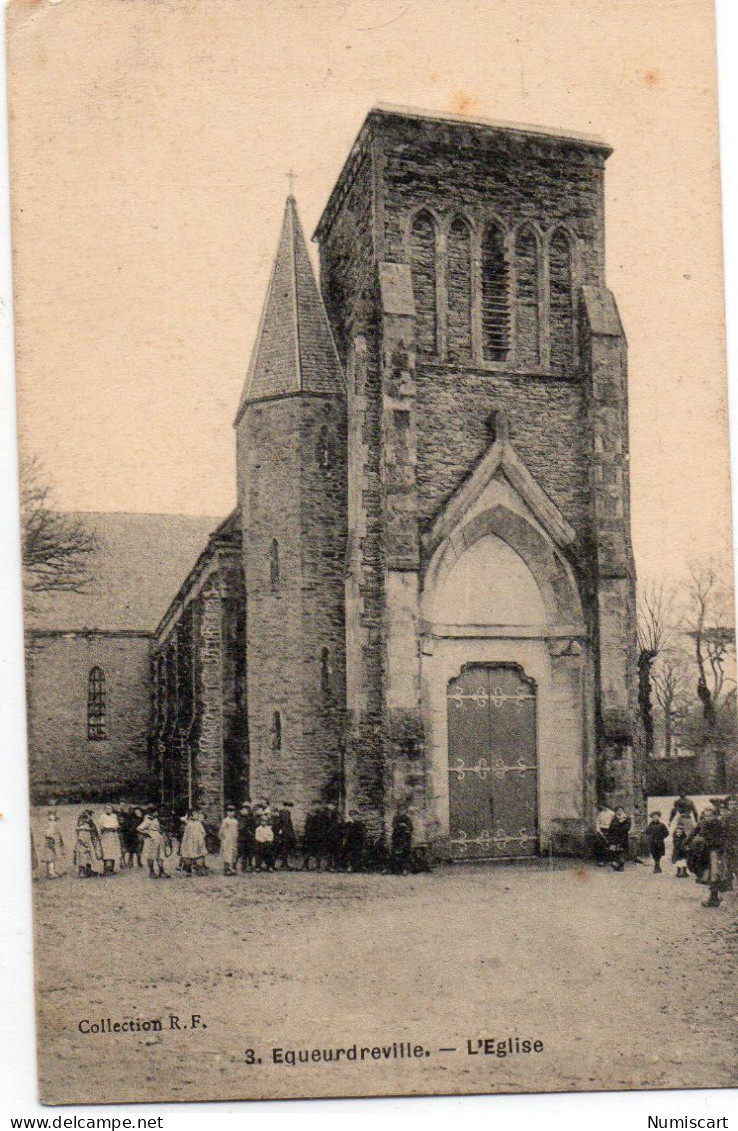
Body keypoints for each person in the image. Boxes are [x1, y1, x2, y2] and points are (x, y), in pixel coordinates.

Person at [699, 805, 728, 908]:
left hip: (716, 852)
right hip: (709, 852)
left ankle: (714, 898)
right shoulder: (705, 825)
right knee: (710, 874)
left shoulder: (719, 825)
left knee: (715, 873)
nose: (708, 818)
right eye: (706, 816)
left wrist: (716, 844)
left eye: (710, 815)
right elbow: (705, 837)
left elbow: (722, 837)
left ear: (714, 815)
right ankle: (714, 897)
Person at [670, 793, 698, 878]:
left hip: (681, 820)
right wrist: (696, 820)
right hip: (688, 820)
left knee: (680, 839)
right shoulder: (690, 801)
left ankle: (682, 869)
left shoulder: (677, 801)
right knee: (688, 841)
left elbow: (673, 812)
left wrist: (670, 820)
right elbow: (695, 812)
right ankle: (684, 869)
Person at [137, 807, 170, 879]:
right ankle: (151, 872)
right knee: (151, 856)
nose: (157, 813)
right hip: (151, 840)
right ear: (152, 813)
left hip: (158, 838)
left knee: (160, 855)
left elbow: (157, 827)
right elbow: (139, 828)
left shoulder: (155, 819)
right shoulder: (148, 819)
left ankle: (162, 872)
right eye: (156, 812)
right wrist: (148, 834)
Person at [73, 809, 103, 877]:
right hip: (84, 843)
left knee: (90, 857)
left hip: (90, 842)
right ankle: (82, 871)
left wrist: (96, 841)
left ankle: (89, 870)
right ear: (88, 816)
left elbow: (95, 833)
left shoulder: (92, 824)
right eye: (92, 816)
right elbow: (80, 836)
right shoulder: (82, 824)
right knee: (83, 857)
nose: (93, 817)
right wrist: (84, 843)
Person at [179, 809, 208, 875]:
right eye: (195, 814)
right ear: (191, 816)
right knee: (189, 855)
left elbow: (203, 832)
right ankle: (188, 870)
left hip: (198, 842)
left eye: (197, 814)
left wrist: (201, 839)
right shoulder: (188, 824)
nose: (197, 815)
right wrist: (185, 842)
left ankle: (199, 870)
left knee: (199, 856)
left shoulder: (199, 823)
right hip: (190, 842)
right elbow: (186, 834)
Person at [39, 808, 65, 878]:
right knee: (50, 858)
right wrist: (52, 839)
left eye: (53, 815)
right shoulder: (51, 824)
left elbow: (56, 833)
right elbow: (48, 833)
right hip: (50, 841)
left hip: (52, 842)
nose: (52, 816)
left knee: (52, 857)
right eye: (51, 815)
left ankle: (52, 871)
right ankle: (50, 872)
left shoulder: (53, 823)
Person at [273, 801, 297, 870]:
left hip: (284, 834)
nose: (291, 809)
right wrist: (288, 834)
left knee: (284, 850)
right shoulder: (285, 813)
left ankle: (283, 864)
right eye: (290, 807)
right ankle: (274, 865)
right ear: (286, 806)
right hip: (284, 835)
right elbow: (285, 825)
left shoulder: (283, 813)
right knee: (282, 849)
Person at [98, 805, 122, 875]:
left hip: (114, 836)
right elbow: (102, 827)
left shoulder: (114, 816)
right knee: (107, 852)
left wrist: (114, 828)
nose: (109, 810)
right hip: (106, 836)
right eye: (107, 808)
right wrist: (109, 828)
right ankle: (106, 870)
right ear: (105, 809)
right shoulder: (103, 817)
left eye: (110, 809)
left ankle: (111, 869)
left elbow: (116, 825)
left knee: (113, 852)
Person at [302, 799, 324, 871]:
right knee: (308, 851)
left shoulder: (322, 814)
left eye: (318, 805)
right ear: (312, 806)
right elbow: (307, 826)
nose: (316, 806)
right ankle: (305, 865)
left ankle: (318, 867)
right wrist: (307, 835)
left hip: (319, 836)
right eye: (315, 805)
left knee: (318, 852)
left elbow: (324, 825)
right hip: (310, 836)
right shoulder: (310, 814)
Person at [391, 805, 414, 874]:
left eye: (403, 810)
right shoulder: (395, 818)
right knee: (396, 852)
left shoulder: (407, 818)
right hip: (397, 837)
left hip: (405, 837)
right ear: (398, 811)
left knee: (405, 853)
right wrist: (399, 826)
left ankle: (405, 869)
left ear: (405, 811)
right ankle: (396, 869)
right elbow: (393, 825)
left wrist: (406, 827)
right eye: (400, 810)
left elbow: (411, 828)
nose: (402, 811)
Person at [607, 806, 631, 871]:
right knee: (614, 851)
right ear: (616, 811)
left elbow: (627, 827)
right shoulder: (614, 818)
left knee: (621, 851)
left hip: (622, 837)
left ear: (623, 811)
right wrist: (609, 836)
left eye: (621, 810)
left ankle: (621, 866)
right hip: (614, 838)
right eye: (617, 810)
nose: (619, 811)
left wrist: (618, 829)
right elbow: (610, 828)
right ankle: (616, 865)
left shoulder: (626, 818)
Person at [219, 805, 239, 875]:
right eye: (229, 811)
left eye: (233, 812)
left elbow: (236, 830)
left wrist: (236, 837)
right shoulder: (225, 821)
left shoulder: (235, 821)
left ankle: (233, 868)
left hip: (233, 839)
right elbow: (221, 831)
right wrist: (223, 839)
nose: (231, 813)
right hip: (227, 840)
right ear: (227, 812)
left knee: (234, 854)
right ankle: (226, 869)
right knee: (227, 854)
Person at [593, 801, 615, 866]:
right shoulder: (601, 813)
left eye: (602, 806)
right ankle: (600, 860)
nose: (602, 807)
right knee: (600, 845)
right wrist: (598, 830)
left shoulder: (612, 813)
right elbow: (597, 822)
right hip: (601, 830)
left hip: (609, 830)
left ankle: (608, 860)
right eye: (601, 806)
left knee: (608, 845)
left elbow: (614, 823)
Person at [237, 803, 256, 872]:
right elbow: (241, 827)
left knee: (250, 852)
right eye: (242, 810)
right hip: (242, 838)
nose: (243, 811)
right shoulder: (240, 818)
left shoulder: (251, 818)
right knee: (243, 852)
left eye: (245, 810)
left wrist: (252, 833)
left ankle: (250, 865)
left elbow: (254, 826)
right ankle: (244, 866)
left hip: (250, 838)